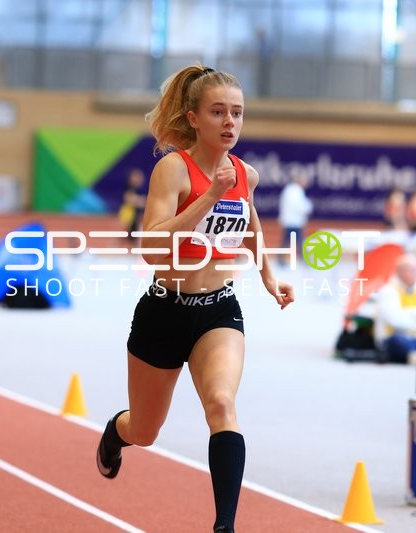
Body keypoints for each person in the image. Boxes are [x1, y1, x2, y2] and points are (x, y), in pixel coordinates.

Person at [95, 65, 295, 533]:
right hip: (164, 312)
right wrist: (210, 196)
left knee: (221, 404)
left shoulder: (246, 174)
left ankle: (224, 526)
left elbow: (250, 221)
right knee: (145, 431)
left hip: (218, 311)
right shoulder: (173, 169)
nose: (230, 122)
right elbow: (151, 247)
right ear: (194, 118)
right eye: (218, 112)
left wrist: (269, 276)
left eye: (237, 113)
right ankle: (115, 432)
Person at [373, 254, 416, 363]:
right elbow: (395, 320)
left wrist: (407, 312)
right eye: (408, 270)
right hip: (394, 338)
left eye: (415, 270)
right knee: (398, 341)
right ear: (399, 272)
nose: (413, 274)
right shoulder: (388, 291)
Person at [277, 174, 312, 265]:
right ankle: (304, 259)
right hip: (293, 221)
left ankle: (281, 259)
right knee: (297, 240)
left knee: (289, 240)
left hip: (290, 221)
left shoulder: (288, 190)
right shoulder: (296, 191)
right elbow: (300, 206)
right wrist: (308, 207)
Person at [117, 168, 147, 243]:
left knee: (132, 237)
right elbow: (129, 199)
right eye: (136, 176)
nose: (139, 178)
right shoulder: (129, 187)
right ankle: (111, 248)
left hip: (135, 215)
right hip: (128, 213)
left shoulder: (139, 189)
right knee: (124, 234)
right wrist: (141, 202)